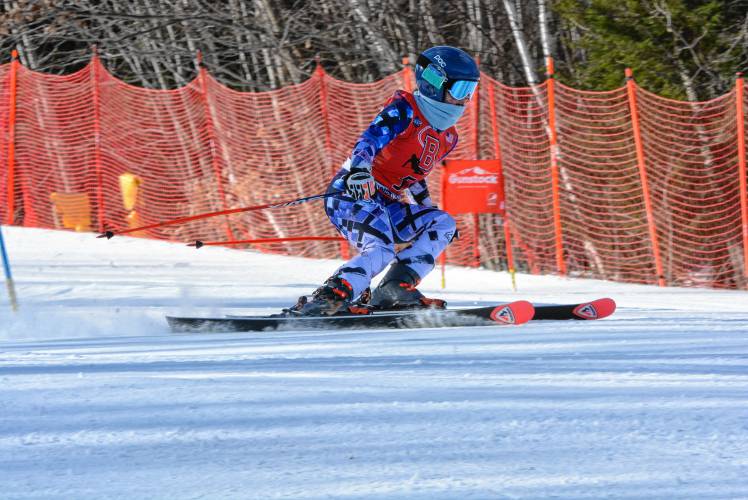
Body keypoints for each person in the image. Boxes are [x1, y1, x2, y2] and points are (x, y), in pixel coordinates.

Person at [295, 46, 480, 316]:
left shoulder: (448, 137)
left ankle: (395, 288)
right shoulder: (405, 110)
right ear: (435, 83)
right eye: (461, 90)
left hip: (386, 204)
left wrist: (428, 208)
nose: (465, 100)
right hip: (352, 195)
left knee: (443, 224)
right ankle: (332, 294)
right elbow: (370, 139)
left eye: (470, 91)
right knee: (380, 249)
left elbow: (415, 174)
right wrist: (359, 171)